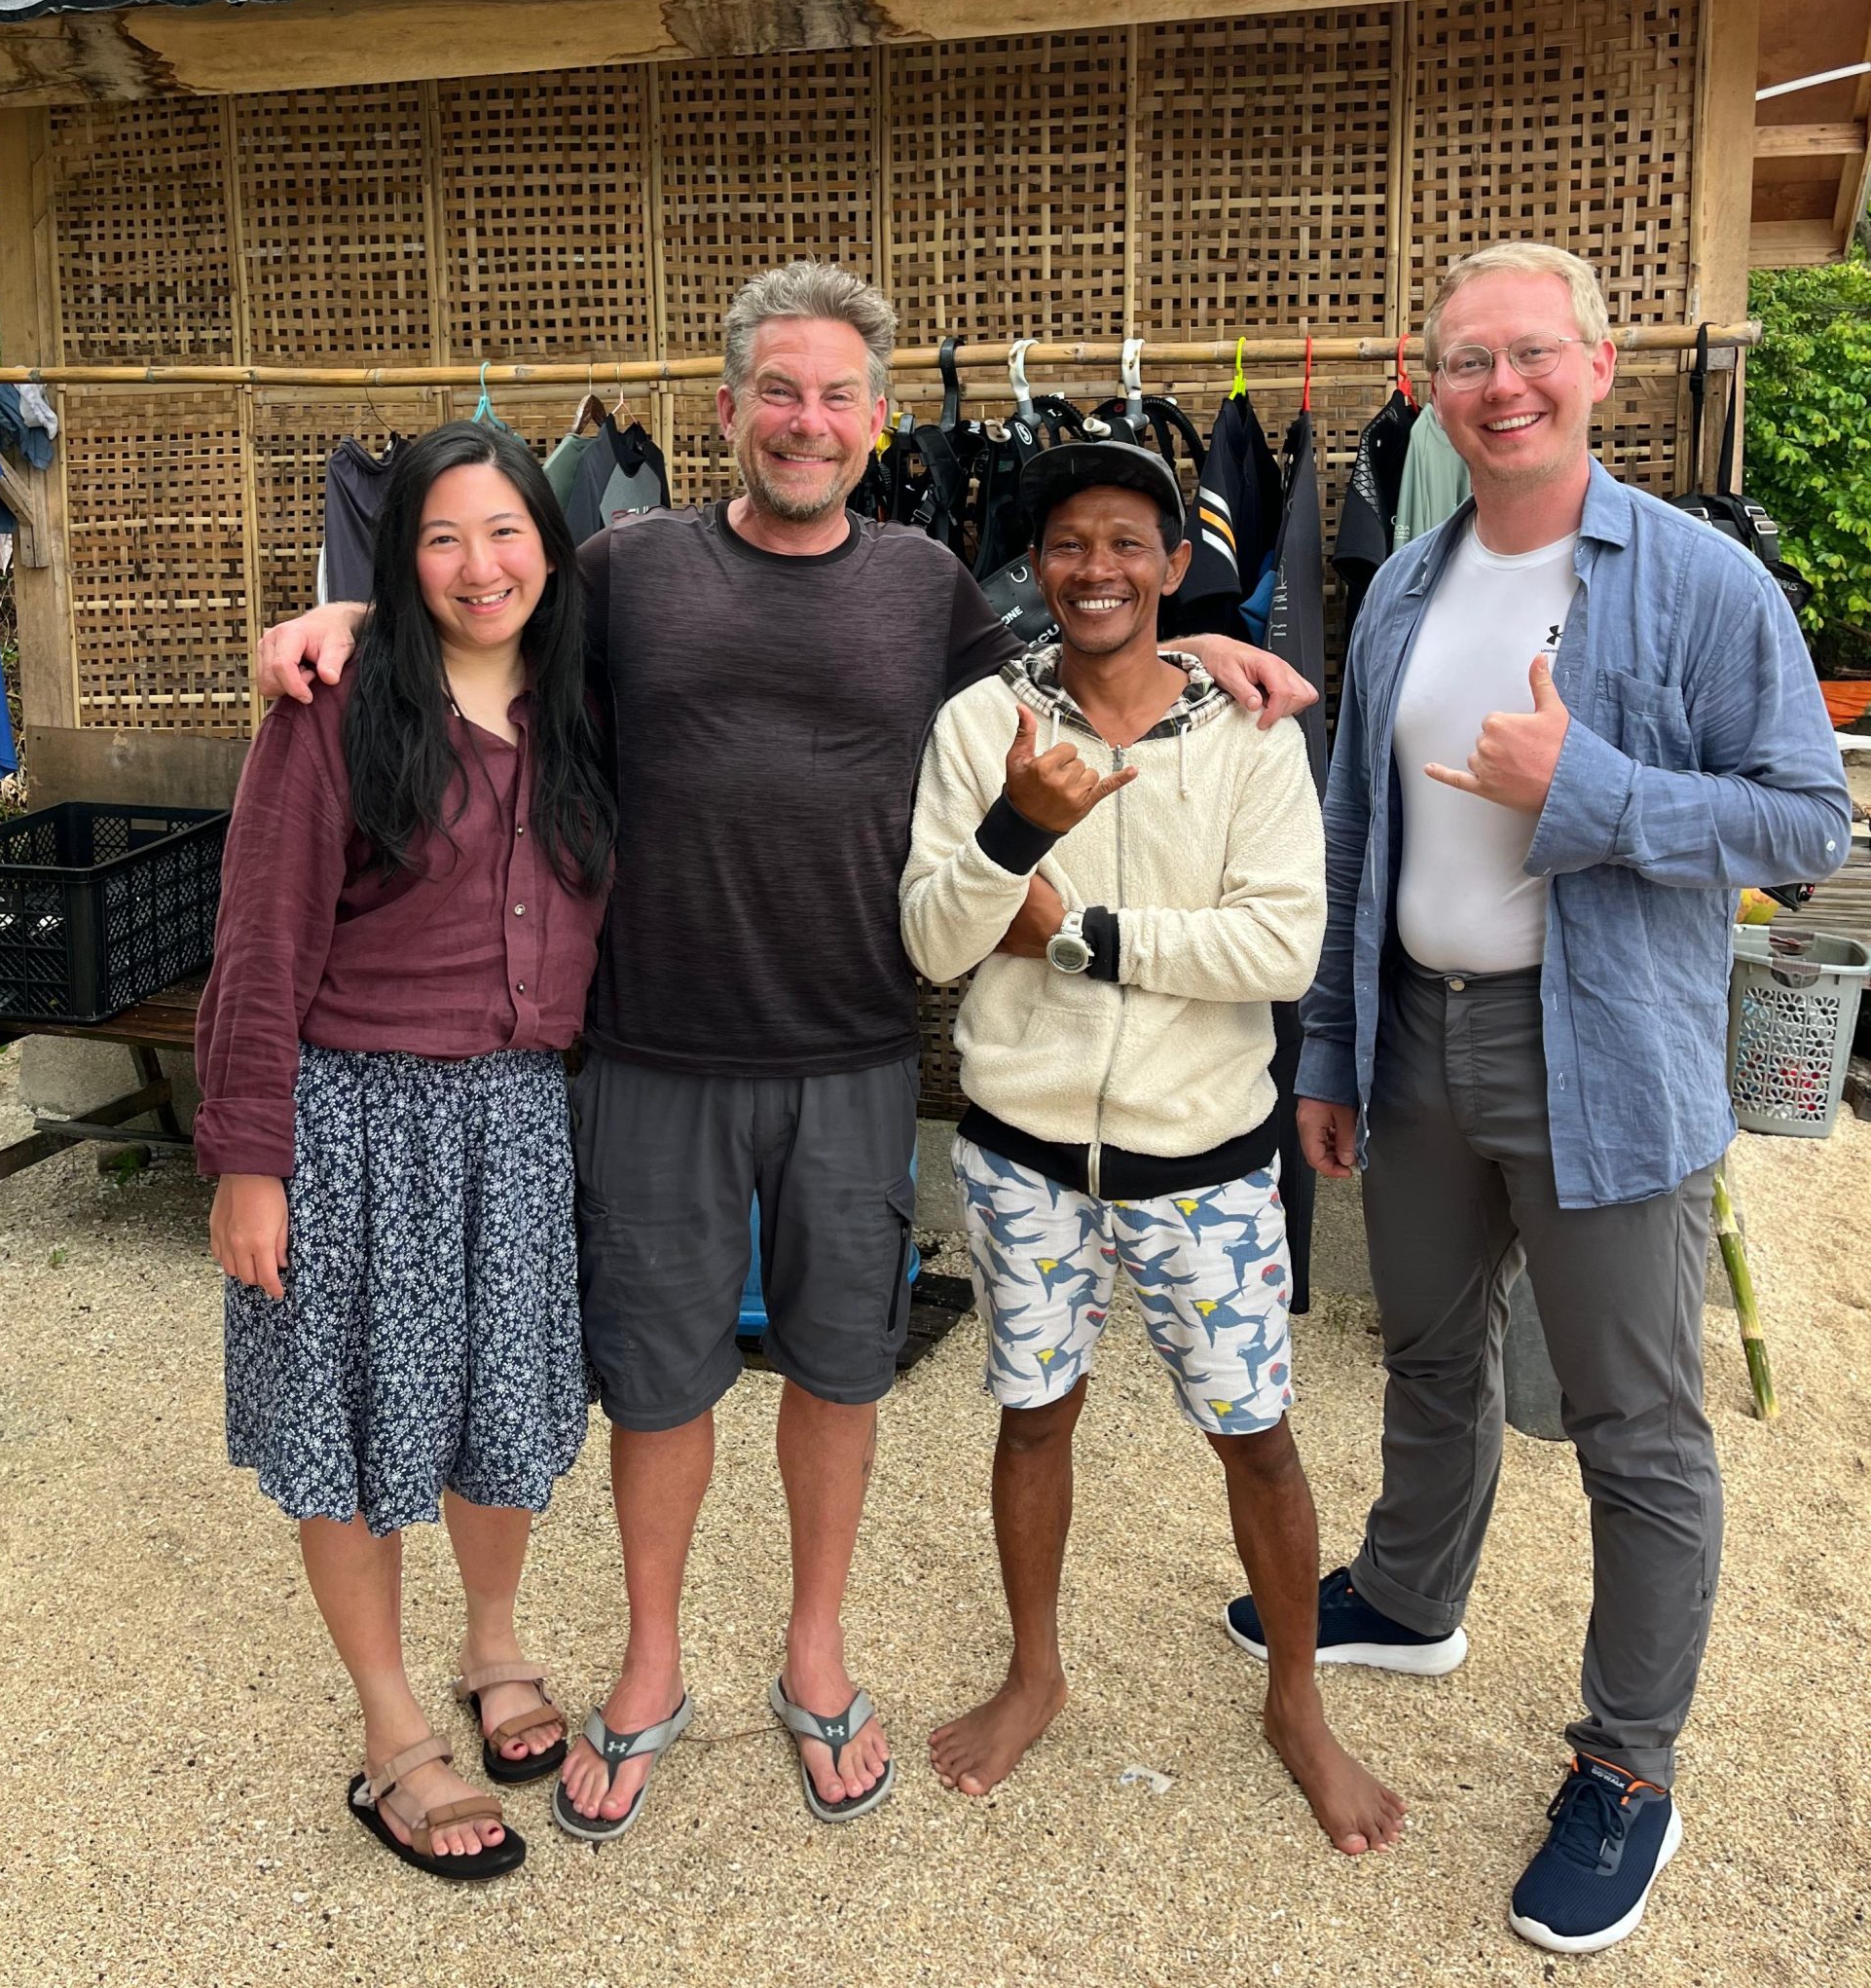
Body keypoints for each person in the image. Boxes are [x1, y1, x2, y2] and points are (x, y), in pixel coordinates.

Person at [256, 263, 1316, 1840]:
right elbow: (483, 623)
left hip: (852, 1046)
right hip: (653, 1047)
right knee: (658, 1381)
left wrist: (1212, 647)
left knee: (838, 1368)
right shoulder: (628, 568)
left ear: (877, 419)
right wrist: (349, 612)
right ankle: (651, 1662)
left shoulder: (923, 586)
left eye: (835, 396)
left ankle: (816, 1654)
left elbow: (1066, 677)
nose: (805, 421)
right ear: (729, 407)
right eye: (778, 391)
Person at [1224, 242, 1851, 1952]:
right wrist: (1333, 1050)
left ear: (1598, 362)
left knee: (1633, 1427)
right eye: (1466, 360)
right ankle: (1410, 1594)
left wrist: (1595, 787)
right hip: (1416, 1042)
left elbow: (1808, 824)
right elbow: (1360, 831)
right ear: (1429, 385)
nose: (1501, 387)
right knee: (1429, 1355)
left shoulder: (1702, 585)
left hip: (1607, 1054)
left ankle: (1629, 1763)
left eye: (1531, 354)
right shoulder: (1408, 588)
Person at [899, 440, 1404, 1855]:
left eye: (1129, 542)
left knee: (1257, 1437)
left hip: (1208, 1160)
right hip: (1023, 1151)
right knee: (1032, 1414)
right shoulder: (983, 725)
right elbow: (932, 942)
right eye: (1069, 542)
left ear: (1178, 566)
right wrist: (1017, 827)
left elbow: (1281, 946)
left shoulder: (1245, 731)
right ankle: (1035, 1672)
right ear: (1035, 566)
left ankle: (1296, 1699)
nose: (1097, 568)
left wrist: (1079, 934)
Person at [199, 420, 614, 1882]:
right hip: (352, 1126)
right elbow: (259, 944)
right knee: (350, 1434)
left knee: (504, 1415)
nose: (479, 565)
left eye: (506, 532)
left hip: (516, 1125)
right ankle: (391, 1733)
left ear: (551, 550)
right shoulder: (331, 717)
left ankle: (494, 1644)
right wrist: (250, 1160)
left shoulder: (585, 704)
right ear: (398, 558)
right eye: (440, 537)